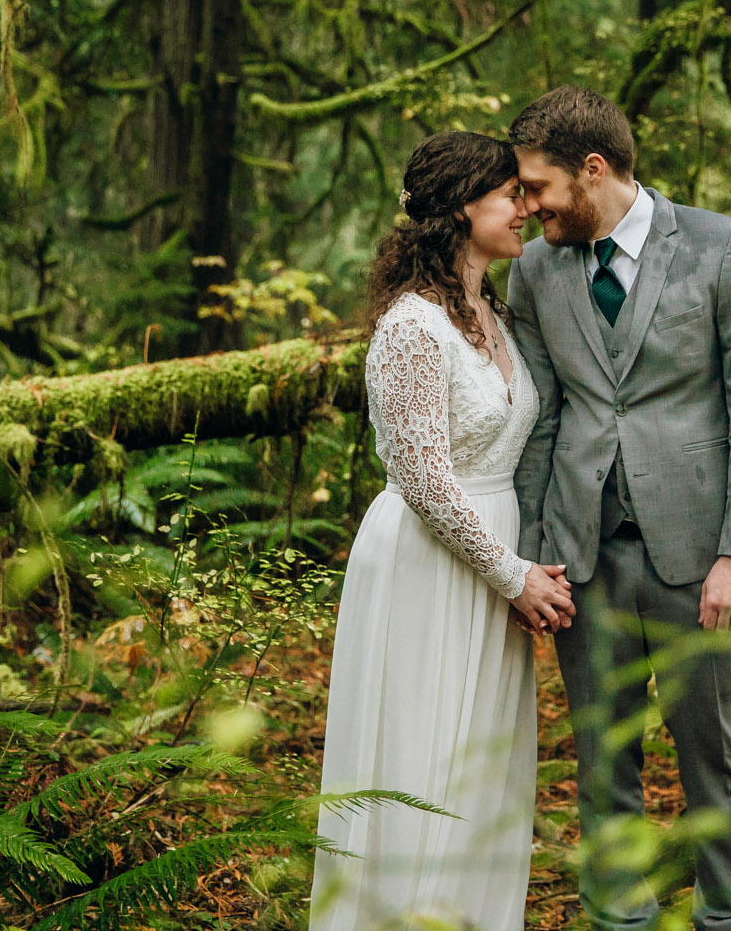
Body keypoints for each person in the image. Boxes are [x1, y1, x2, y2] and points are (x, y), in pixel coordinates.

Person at [508, 86, 731, 931]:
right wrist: (530, 558)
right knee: (603, 768)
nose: (525, 209)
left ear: (592, 171)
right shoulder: (534, 270)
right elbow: (540, 419)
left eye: (535, 188)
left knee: (716, 763)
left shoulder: (723, 247)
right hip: (584, 561)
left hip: (702, 558)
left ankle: (730, 919)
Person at [310, 130, 577, 930]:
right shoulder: (410, 329)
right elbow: (424, 479)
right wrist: (513, 574)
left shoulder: (491, 310)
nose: (527, 207)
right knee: (420, 754)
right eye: (511, 194)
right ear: (464, 207)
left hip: (491, 552)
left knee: (480, 768)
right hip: (427, 563)